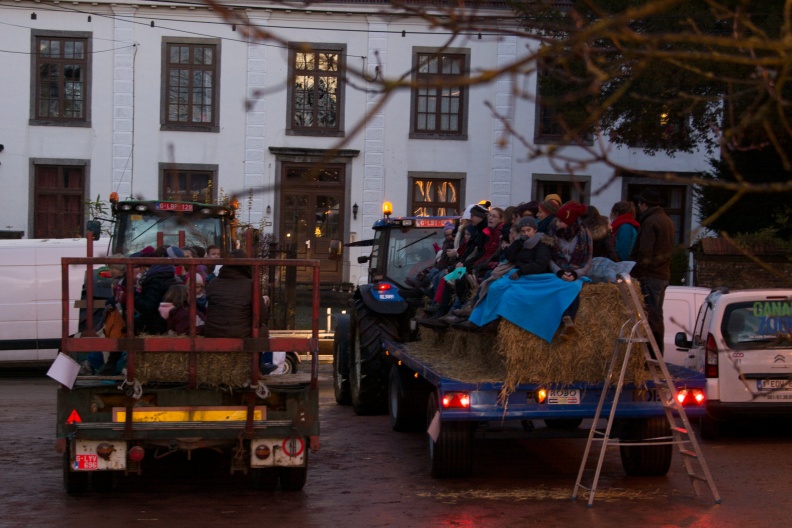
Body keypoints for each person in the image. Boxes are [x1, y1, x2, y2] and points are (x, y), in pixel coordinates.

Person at [629, 189, 675, 354]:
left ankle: (653, 355)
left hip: (651, 275)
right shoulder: (667, 220)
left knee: (651, 318)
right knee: (657, 316)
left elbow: (645, 253)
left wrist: (636, 273)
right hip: (662, 274)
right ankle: (657, 355)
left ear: (644, 204)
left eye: (639, 204)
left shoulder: (650, 222)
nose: (638, 208)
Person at [549, 201, 593, 334]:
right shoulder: (553, 233)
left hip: (577, 271)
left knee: (574, 286)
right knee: (557, 285)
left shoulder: (585, 235)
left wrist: (575, 274)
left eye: (561, 221)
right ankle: (564, 318)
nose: (557, 224)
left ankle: (569, 321)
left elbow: (588, 260)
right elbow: (550, 257)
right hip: (558, 270)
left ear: (570, 222)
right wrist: (559, 271)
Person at [204, 250, 269, 339]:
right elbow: (261, 316)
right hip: (240, 334)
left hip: (212, 332)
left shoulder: (213, 282)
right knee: (263, 330)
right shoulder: (251, 285)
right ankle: (257, 353)